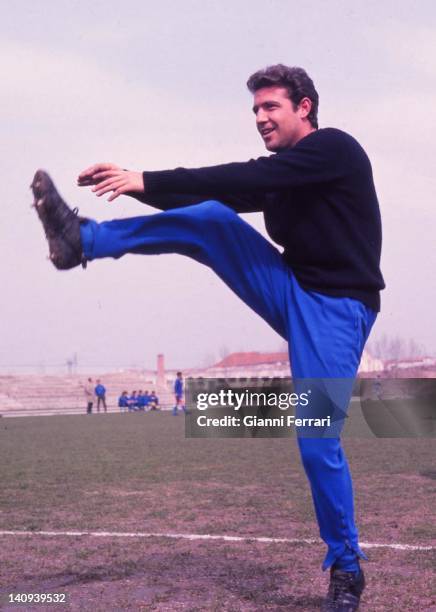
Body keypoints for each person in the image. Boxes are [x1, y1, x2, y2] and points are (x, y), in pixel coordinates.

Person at [31, 64, 384, 611]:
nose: (261, 118)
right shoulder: (284, 182)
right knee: (212, 221)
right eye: (255, 111)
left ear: (305, 107)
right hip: (293, 288)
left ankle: (346, 567)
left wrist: (145, 178)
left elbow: (240, 176)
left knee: (317, 441)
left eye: (271, 107)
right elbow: (211, 196)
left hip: (338, 309)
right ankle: (83, 239)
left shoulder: (335, 150)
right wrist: (135, 182)